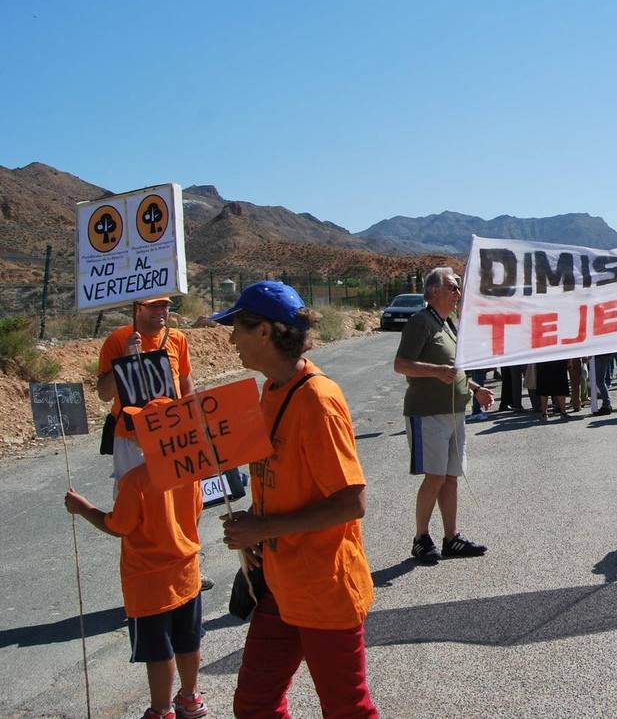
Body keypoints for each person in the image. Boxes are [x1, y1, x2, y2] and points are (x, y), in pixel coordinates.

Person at [211, 280, 379, 718]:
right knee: (255, 704)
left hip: (324, 590)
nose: (231, 339)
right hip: (280, 587)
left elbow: (351, 503)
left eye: (237, 328)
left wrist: (263, 528)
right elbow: (287, 482)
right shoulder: (270, 392)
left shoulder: (318, 401)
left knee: (347, 709)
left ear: (264, 331)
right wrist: (254, 520)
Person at [64, 443, 207, 719]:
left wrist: (83, 508)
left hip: (147, 584)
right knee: (189, 641)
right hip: (187, 575)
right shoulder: (189, 472)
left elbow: (118, 526)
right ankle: (190, 698)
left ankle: (162, 710)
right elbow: (197, 513)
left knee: (158, 650)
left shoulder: (135, 480)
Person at [393, 267, 492, 563]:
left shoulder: (448, 323)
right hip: (428, 413)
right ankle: (421, 538)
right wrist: (435, 372)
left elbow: (455, 368)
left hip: (454, 412)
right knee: (434, 477)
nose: (457, 293)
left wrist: (475, 388)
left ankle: (452, 538)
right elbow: (401, 364)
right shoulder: (419, 322)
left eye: (458, 288)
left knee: (450, 478)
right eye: (452, 287)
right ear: (434, 290)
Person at [97, 296, 193, 488]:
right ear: (137, 308)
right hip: (130, 437)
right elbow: (104, 394)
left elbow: (186, 386)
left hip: (171, 434)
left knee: (175, 494)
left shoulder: (178, 338)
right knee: (132, 498)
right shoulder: (117, 340)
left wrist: (189, 427)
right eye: (153, 305)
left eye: (164, 305)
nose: (160, 310)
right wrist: (126, 357)